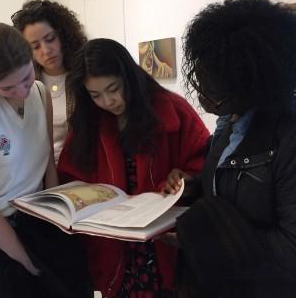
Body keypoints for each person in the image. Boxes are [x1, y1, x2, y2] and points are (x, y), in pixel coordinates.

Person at [164, 0, 296, 297]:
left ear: (252, 84)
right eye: (200, 80)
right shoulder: (231, 120)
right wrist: (194, 187)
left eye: (214, 87)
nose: (202, 94)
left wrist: (205, 238)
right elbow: (234, 195)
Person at [0, 23, 91, 298]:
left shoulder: (40, 92)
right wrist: (27, 259)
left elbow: (47, 163)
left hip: (26, 221)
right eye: (7, 88)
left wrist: (55, 223)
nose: (22, 91)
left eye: (26, 77)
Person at [57, 38, 210, 297]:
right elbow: (71, 176)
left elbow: (204, 158)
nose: (108, 101)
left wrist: (186, 178)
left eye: (113, 88)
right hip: (113, 246)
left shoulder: (171, 109)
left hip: (162, 241)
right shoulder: (88, 123)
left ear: (129, 76)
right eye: (95, 95)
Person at [11, 0, 87, 163]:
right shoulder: (23, 85)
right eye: (35, 47)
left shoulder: (85, 76)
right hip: (35, 170)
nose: (46, 51)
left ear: (64, 35)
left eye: (50, 39)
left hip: (77, 170)